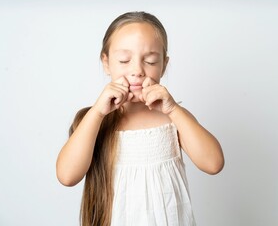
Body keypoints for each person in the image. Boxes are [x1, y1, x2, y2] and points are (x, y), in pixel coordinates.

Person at [56, 11, 224, 226]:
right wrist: (97, 112)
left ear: (164, 64)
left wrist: (173, 109)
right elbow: (67, 176)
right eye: (124, 60)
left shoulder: (173, 118)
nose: (137, 70)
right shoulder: (93, 121)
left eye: (151, 61)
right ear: (106, 63)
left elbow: (213, 163)